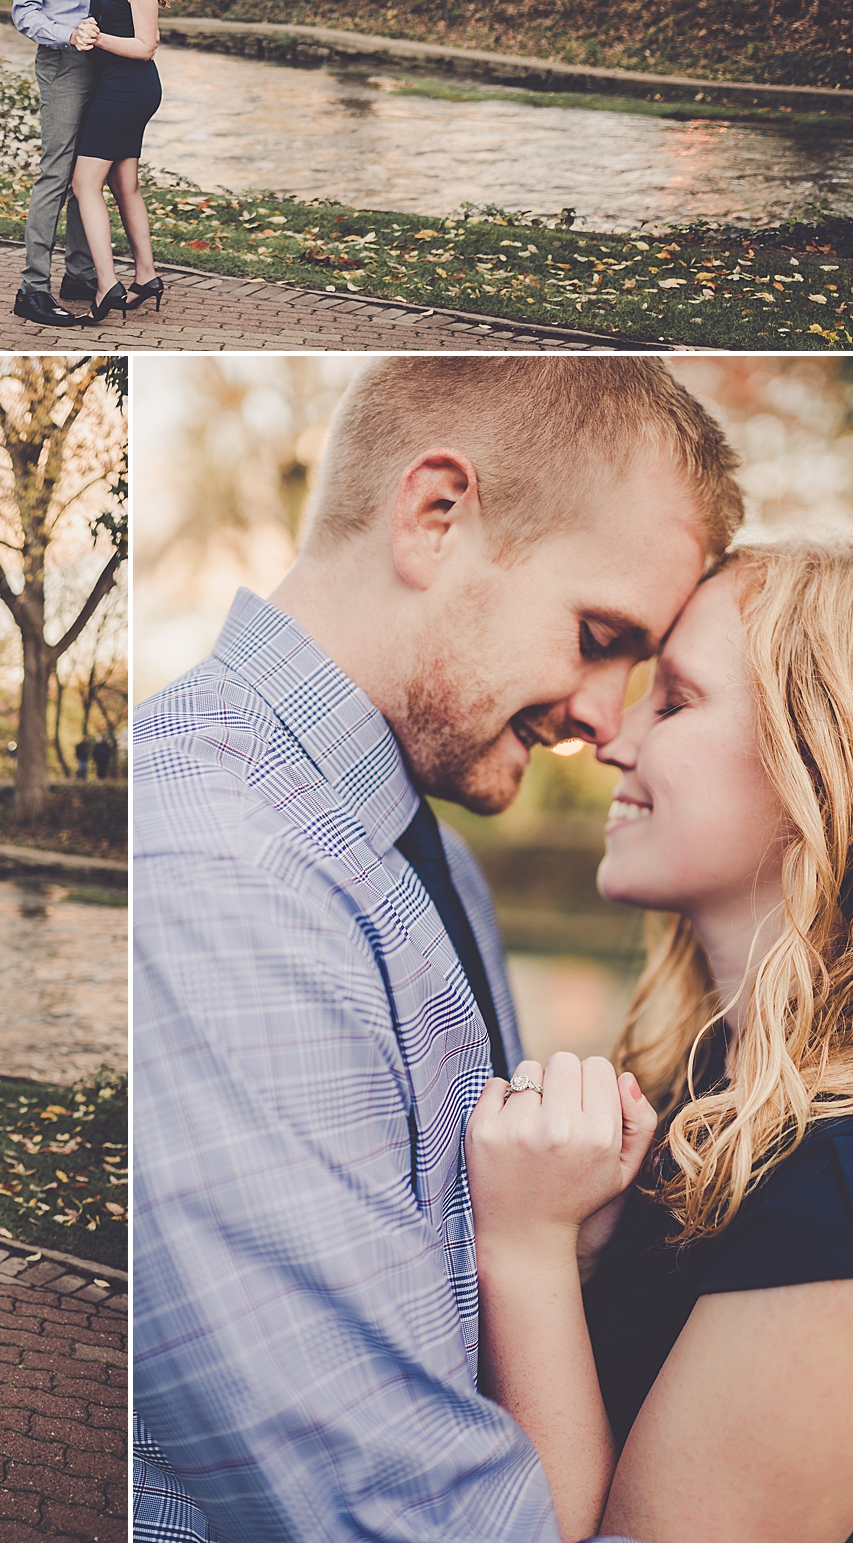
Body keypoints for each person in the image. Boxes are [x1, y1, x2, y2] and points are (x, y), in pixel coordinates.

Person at [132, 354, 745, 1542]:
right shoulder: (224, 877)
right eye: (599, 633)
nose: (604, 720)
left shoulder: (418, 847)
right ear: (435, 515)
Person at [465, 541, 853, 1545]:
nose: (609, 737)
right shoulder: (715, 1088)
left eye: (671, 701)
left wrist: (527, 1251)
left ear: (826, 759)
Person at [11, 0, 115, 327]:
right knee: (56, 172)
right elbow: (24, 13)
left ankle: (79, 274)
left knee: (88, 173)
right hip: (63, 62)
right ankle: (32, 288)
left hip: (105, 63)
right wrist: (68, 33)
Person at [70, 0, 170, 325]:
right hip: (119, 87)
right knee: (123, 184)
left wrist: (97, 39)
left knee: (83, 184)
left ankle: (107, 281)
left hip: (127, 90)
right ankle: (145, 276)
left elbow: (146, 47)